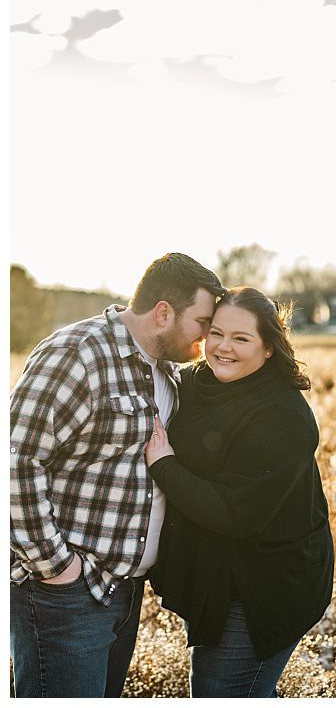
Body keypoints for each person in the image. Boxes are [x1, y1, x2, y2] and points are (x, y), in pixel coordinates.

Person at [10, 252, 225, 698]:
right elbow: (16, 460)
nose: (207, 339)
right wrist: (57, 567)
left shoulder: (165, 370)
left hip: (123, 593)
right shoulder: (77, 353)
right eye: (203, 324)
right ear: (164, 313)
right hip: (65, 596)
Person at [143, 286, 335, 698]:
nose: (222, 348)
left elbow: (232, 513)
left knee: (222, 694)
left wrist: (163, 465)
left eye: (241, 338)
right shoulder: (196, 383)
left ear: (268, 348)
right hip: (217, 574)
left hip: (262, 589)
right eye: (215, 332)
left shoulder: (282, 416)